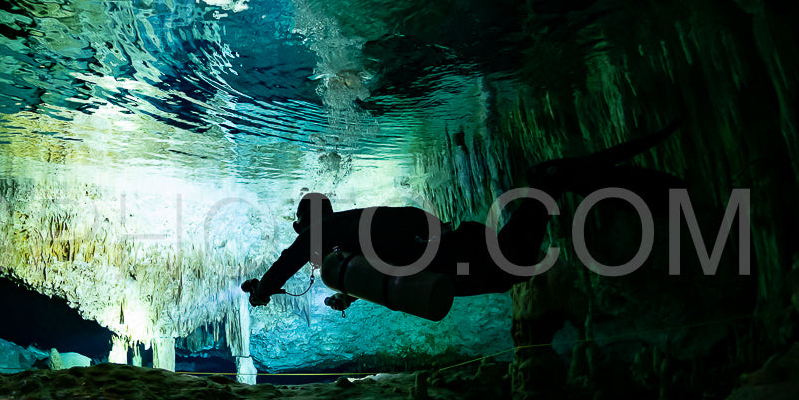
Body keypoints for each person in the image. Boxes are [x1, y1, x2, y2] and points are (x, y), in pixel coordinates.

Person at [241, 122, 683, 311]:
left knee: (542, 192)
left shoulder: (334, 234)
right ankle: (652, 191)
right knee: (544, 179)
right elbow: (397, 253)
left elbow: (289, 260)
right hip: (478, 256)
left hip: (481, 273)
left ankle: (649, 193)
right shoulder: (351, 232)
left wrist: (262, 291)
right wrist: (350, 293)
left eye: (304, 231)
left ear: (310, 224)